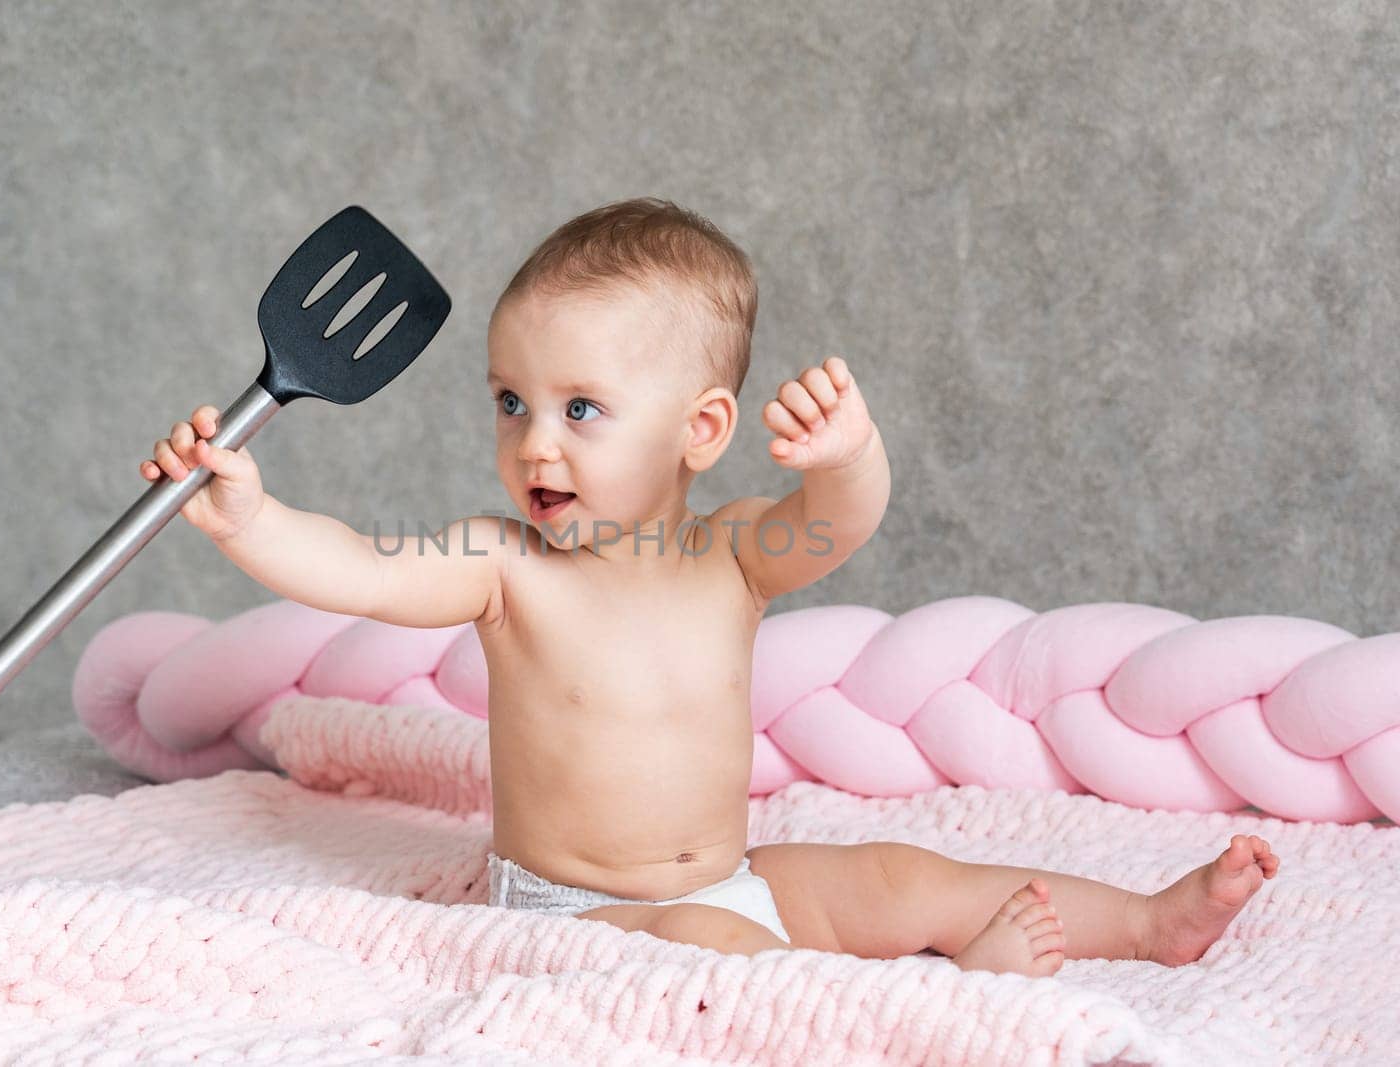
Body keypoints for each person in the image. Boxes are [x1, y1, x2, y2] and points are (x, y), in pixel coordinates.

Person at [141, 197, 1278, 975]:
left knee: (905, 875)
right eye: (509, 401)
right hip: (582, 913)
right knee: (708, 947)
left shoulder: (732, 552)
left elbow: (837, 523)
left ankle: (1145, 919)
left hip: (731, 875)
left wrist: (844, 455)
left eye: (580, 408)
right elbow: (358, 570)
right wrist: (250, 515)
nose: (535, 442)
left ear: (702, 429)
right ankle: (942, 1012)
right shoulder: (504, 566)